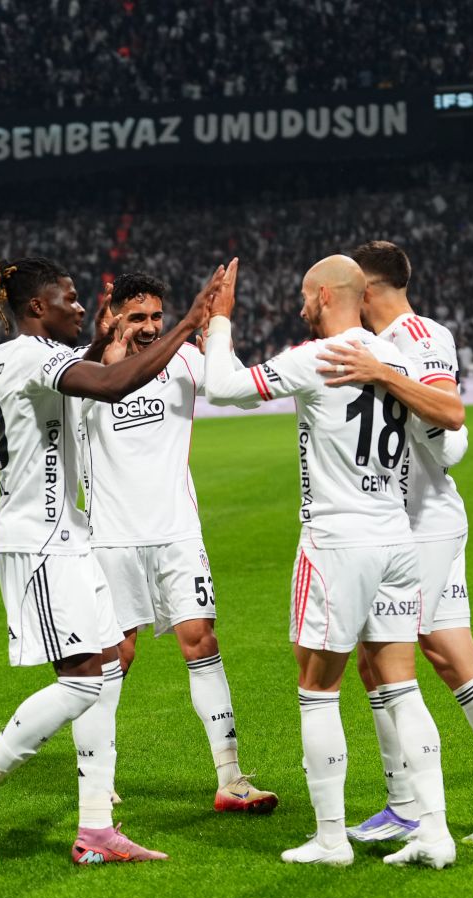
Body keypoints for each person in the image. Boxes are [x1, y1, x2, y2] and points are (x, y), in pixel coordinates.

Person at [0, 256, 224, 867]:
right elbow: (111, 384)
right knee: (82, 682)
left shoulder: (32, 355)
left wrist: (97, 340)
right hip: (38, 540)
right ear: (37, 307)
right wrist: (188, 323)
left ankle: (95, 829)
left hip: (70, 536)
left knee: (102, 671)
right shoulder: (24, 355)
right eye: (68, 299)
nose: (80, 306)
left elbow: (86, 370)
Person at [204, 255, 467, 868]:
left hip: (335, 541)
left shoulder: (317, 357)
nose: (300, 306)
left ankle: (330, 839)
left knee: (318, 691)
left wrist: (220, 322)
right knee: (402, 688)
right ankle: (435, 832)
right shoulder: (395, 357)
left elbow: (221, 388)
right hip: (395, 537)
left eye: (304, 295)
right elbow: (447, 423)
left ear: (324, 295)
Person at [316, 240, 473, 844]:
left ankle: (410, 806)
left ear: (367, 290)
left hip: (420, 523)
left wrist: (382, 374)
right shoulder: (383, 341)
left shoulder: (416, 337)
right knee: (449, 654)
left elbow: (450, 415)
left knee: (380, 659)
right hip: (417, 521)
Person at [75, 272, 278, 813]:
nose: (149, 327)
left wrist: (215, 337)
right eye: (137, 317)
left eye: (156, 317)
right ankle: (97, 779)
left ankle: (230, 778)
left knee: (201, 641)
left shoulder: (185, 359)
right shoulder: (85, 371)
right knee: (115, 654)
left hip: (177, 533)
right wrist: (103, 349)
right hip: (110, 538)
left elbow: (241, 396)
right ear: (113, 315)